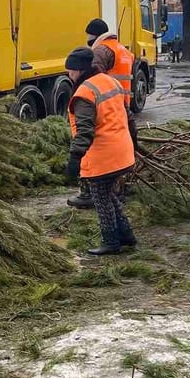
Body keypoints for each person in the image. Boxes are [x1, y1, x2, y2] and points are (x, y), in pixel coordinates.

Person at [64, 45, 137, 256]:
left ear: (78, 70)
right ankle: (127, 236)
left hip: (103, 157)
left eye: (70, 70)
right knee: (109, 195)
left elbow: (85, 131)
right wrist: (134, 144)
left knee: (101, 200)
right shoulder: (110, 81)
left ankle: (111, 242)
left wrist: (74, 158)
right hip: (121, 152)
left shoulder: (84, 93)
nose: (68, 74)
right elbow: (128, 117)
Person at [69, 19, 137, 209]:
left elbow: (91, 74)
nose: (88, 40)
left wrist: (74, 158)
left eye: (89, 37)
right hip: (119, 102)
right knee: (116, 151)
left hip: (101, 103)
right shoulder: (122, 49)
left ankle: (87, 192)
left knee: (98, 151)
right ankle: (117, 191)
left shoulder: (101, 52)